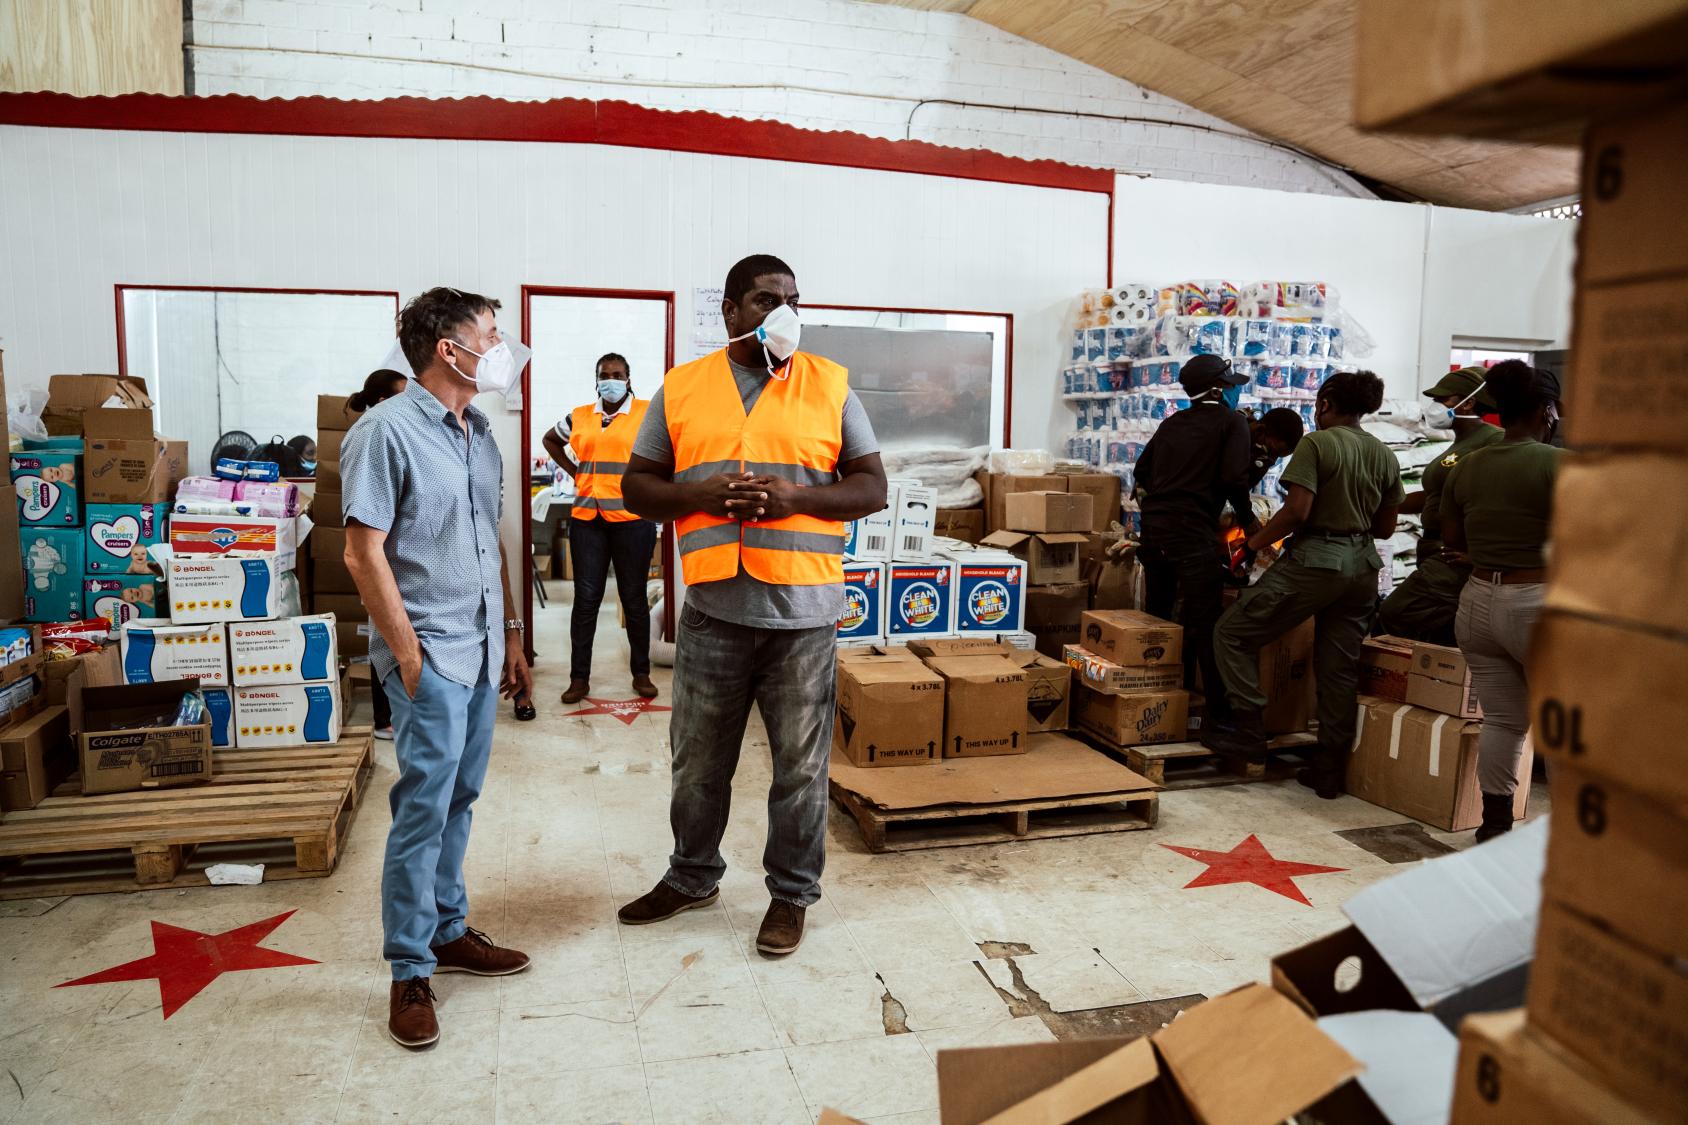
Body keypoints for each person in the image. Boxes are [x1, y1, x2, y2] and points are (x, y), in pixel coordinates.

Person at [615, 254, 887, 955]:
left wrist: (796, 497)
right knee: (698, 764)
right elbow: (638, 487)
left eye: (794, 298)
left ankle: (791, 894)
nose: (784, 311)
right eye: (767, 299)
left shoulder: (829, 385)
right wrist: (698, 495)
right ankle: (692, 875)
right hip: (713, 611)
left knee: (799, 770)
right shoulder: (684, 386)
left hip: (804, 616)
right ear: (730, 310)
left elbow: (870, 486)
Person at [342, 287, 535, 1049]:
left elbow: (489, 541)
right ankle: (408, 967)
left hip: (484, 648)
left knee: (460, 798)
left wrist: (513, 635)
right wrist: (411, 658)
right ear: (446, 348)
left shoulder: (480, 433)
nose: (501, 345)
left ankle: (449, 930)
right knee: (422, 809)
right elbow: (364, 552)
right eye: (489, 333)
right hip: (429, 654)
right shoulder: (384, 432)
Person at [1206, 370, 1404, 799]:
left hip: (1316, 561)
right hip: (1362, 569)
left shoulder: (1317, 444)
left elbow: (1296, 511)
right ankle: (1329, 769)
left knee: (1232, 633)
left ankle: (1249, 731)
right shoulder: (1384, 454)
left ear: (1326, 404)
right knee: (1338, 668)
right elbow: (1387, 528)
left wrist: (1253, 544)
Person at [1442, 360, 1564, 842]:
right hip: (1536, 604)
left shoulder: (1469, 464)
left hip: (1476, 603)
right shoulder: (1560, 464)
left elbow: (1451, 535)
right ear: (1545, 410)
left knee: (1505, 721)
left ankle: (1494, 825)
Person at [1133, 356, 1257, 718]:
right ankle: (1219, 719)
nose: (1236, 390)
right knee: (1207, 624)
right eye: (1232, 384)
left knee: (1158, 620)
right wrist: (1248, 523)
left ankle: (1154, 706)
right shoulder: (1232, 423)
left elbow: (1142, 471)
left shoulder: (1171, 424)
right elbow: (1235, 478)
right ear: (1219, 389)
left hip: (1155, 533)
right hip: (1191, 534)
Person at [541, 353, 660, 703]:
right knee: (586, 600)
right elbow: (551, 439)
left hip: (631, 519)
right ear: (597, 379)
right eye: (605, 375)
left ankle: (641, 673)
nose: (611, 379)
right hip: (587, 520)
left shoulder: (646, 413)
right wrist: (574, 470)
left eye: (617, 374)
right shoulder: (579, 416)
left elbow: (666, 453)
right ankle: (579, 678)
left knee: (634, 599)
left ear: (628, 378)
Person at [1375, 368, 1502, 644]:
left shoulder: (1491, 442)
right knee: (1438, 636)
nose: (1434, 406)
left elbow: (1498, 504)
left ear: (1468, 403)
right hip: (1432, 548)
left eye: (1443, 399)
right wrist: (1382, 506)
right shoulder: (1458, 444)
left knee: (1393, 613)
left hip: (1453, 554)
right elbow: (1433, 495)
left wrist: (1480, 555)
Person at [346, 368, 411, 741]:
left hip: (394, 561)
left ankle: (389, 714)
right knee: (384, 636)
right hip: (380, 560)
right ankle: (385, 719)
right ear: (384, 403)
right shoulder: (373, 435)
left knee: (387, 634)